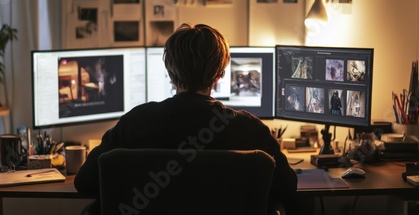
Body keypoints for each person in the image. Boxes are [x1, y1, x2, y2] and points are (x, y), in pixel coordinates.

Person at [74, 23, 298, 215]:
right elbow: (287, 187)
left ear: (170, 72)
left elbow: (84, 182)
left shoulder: (136, 122)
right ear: (219, 74)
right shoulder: (250, 129)